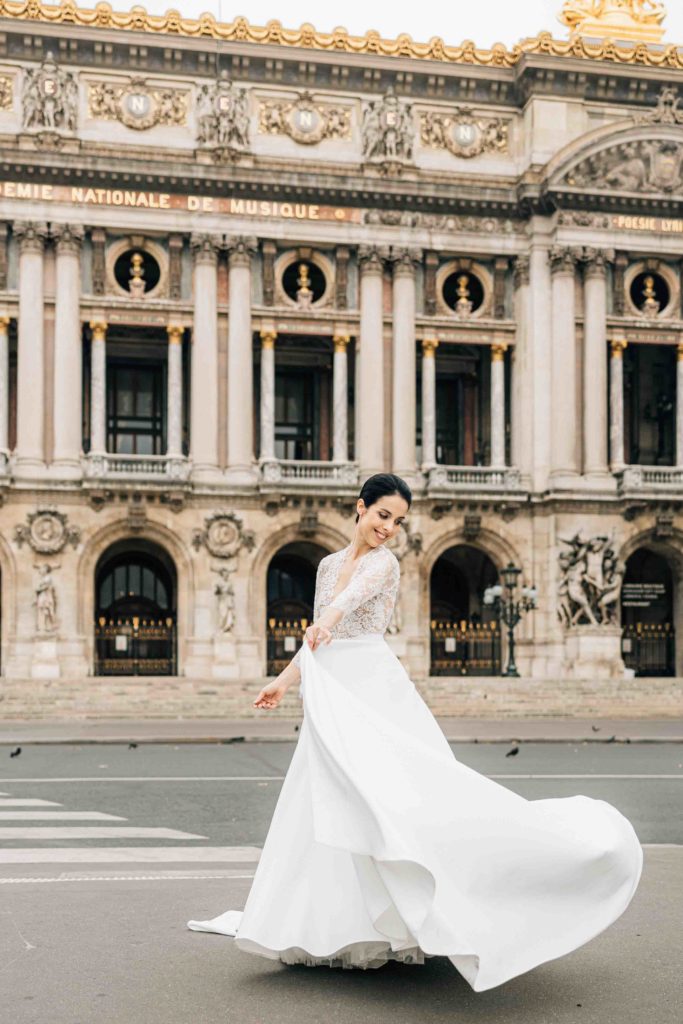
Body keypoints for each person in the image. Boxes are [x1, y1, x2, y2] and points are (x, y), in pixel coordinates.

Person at [187, 473, 643, 992]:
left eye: (399, 522)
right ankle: (331, 923)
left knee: (398, 801)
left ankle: (419, 913)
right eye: (383, 515)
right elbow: (318, 633)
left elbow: (344, 607)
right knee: (328, 801)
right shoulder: (326, 564)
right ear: (360, 508)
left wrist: (325, 624)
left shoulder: (385, 563)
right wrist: (284, 681)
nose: (389, 528)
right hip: (333, 687)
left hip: (374, 688)